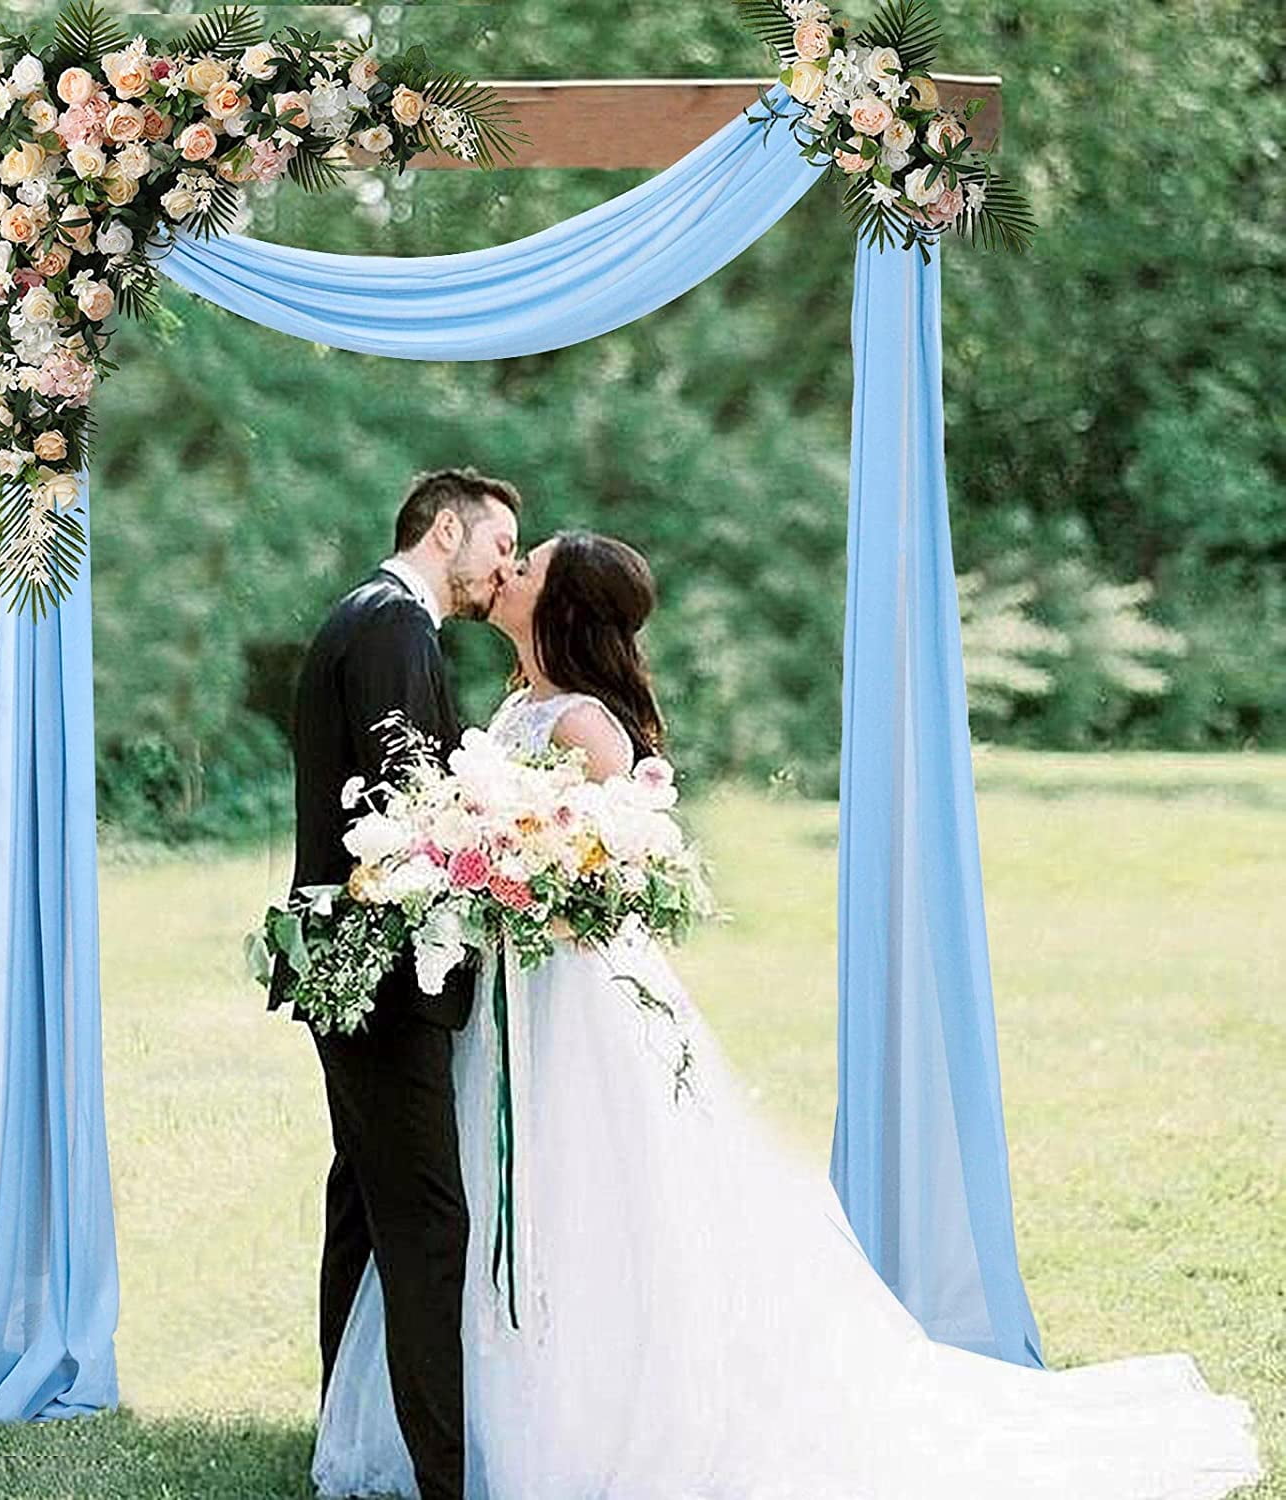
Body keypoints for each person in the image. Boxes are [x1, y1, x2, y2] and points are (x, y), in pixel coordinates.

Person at [311, 529, 1264, 1500]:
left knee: (587, 1198)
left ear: (560, 607)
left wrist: (531, 885)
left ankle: (590, 1422)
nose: (505, 573)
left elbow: (619, 878)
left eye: (529, 567)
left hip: (573, 1008)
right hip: (504, 1006)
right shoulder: (519, 707)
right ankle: (470, 1416)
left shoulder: (586, 725)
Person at [275, 467, 520, 1500]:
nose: (503, 569)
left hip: (356, 964)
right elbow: (400, 801)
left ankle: (351, 1439)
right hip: (378, 971)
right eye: (500, 545)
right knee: (425, 1219)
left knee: (368, 1207)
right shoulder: (390, 624)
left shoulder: (373, 621)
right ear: (448, 528)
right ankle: (440, 1474)